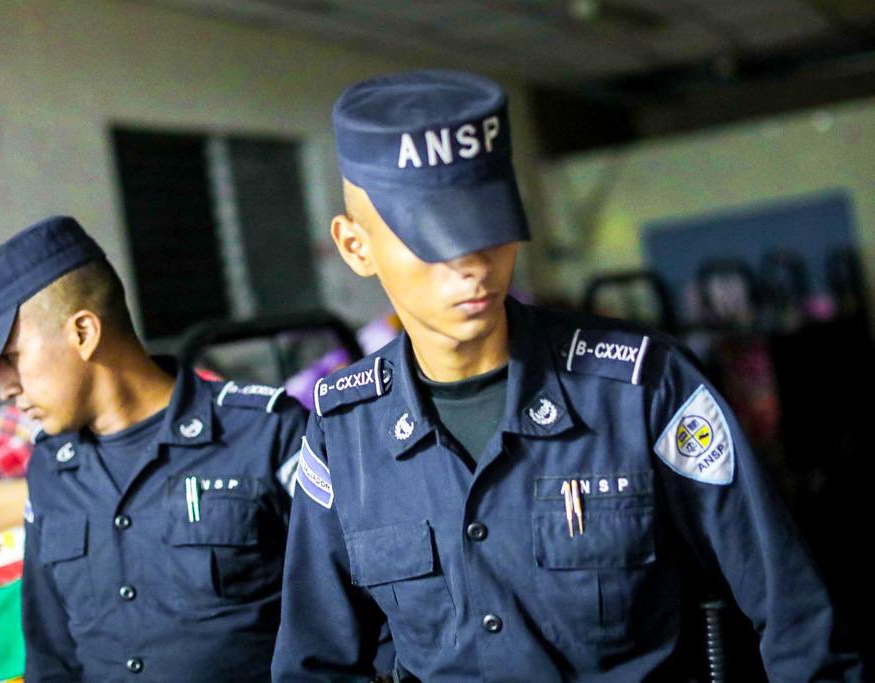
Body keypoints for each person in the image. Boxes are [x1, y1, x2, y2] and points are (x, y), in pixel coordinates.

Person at [271, 70, 863, 681]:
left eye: (485, 225)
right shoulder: (345, 433)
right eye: (433, 239)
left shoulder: (639, 389)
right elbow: (316, 661)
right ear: (355, 247)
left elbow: (795, 616)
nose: (471, 265)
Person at [0, 216, 306, 681]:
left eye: (10, 360)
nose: (5, 389)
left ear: (82, 333)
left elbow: (363, 611)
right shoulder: (51, 471)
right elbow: (52, 658)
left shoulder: (266, 436)